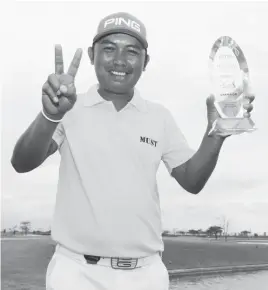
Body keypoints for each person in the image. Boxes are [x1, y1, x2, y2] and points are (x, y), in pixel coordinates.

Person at [11, 11, 254, 290]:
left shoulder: (159, 116)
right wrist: (50, 114)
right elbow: (22, 162)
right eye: (109, 49)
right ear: (92, 55)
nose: (119, 61)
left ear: (145, 62)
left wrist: (216, 136)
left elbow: (191, 180)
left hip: (145, 274)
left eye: (131, 52)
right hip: (76, 273)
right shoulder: (70, 107)